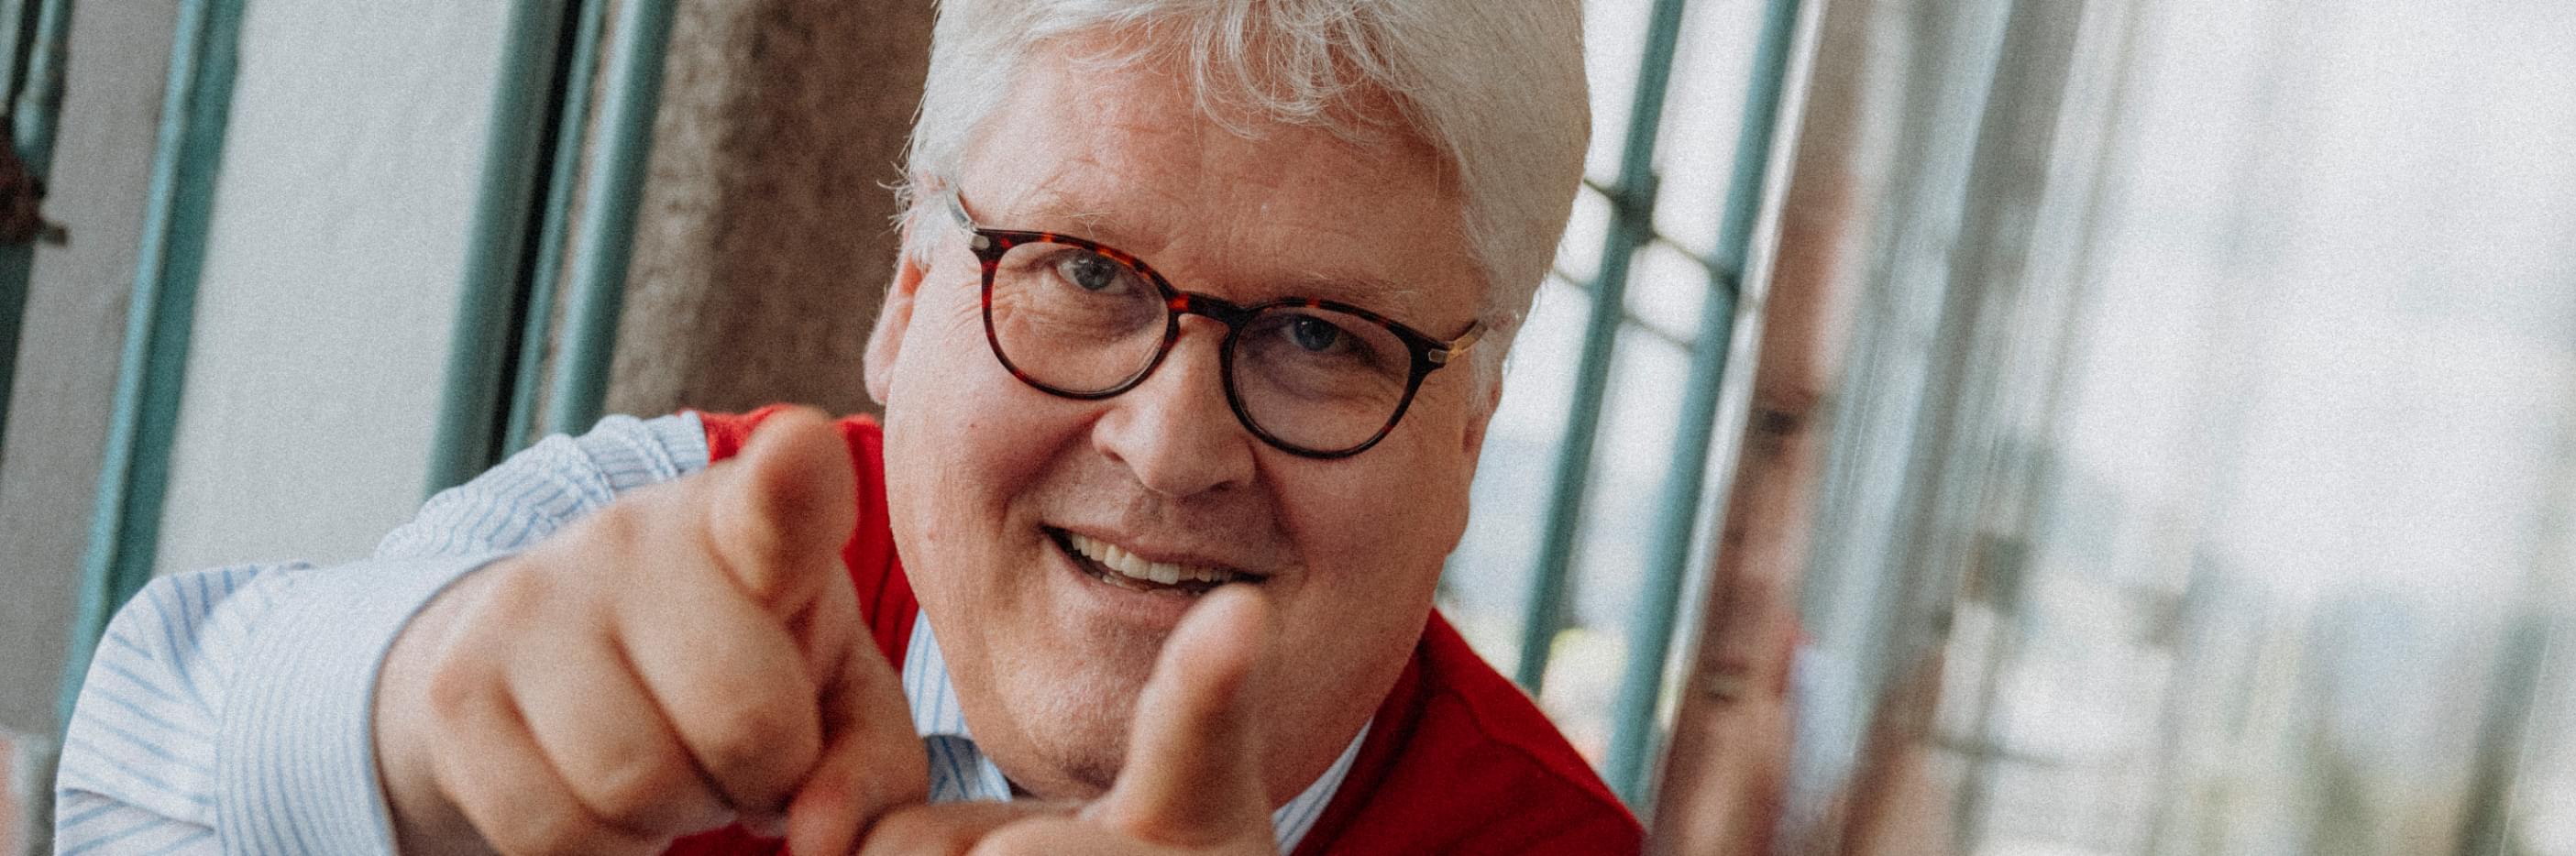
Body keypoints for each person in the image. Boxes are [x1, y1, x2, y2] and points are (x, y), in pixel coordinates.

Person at [54, 1, 1633, 853]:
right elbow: (124, 788)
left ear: (1471, 438)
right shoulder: (661, 541)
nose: (1168, 446)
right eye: (1083, 269)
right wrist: (412, 737)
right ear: (906, 295)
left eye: (1318, 336)